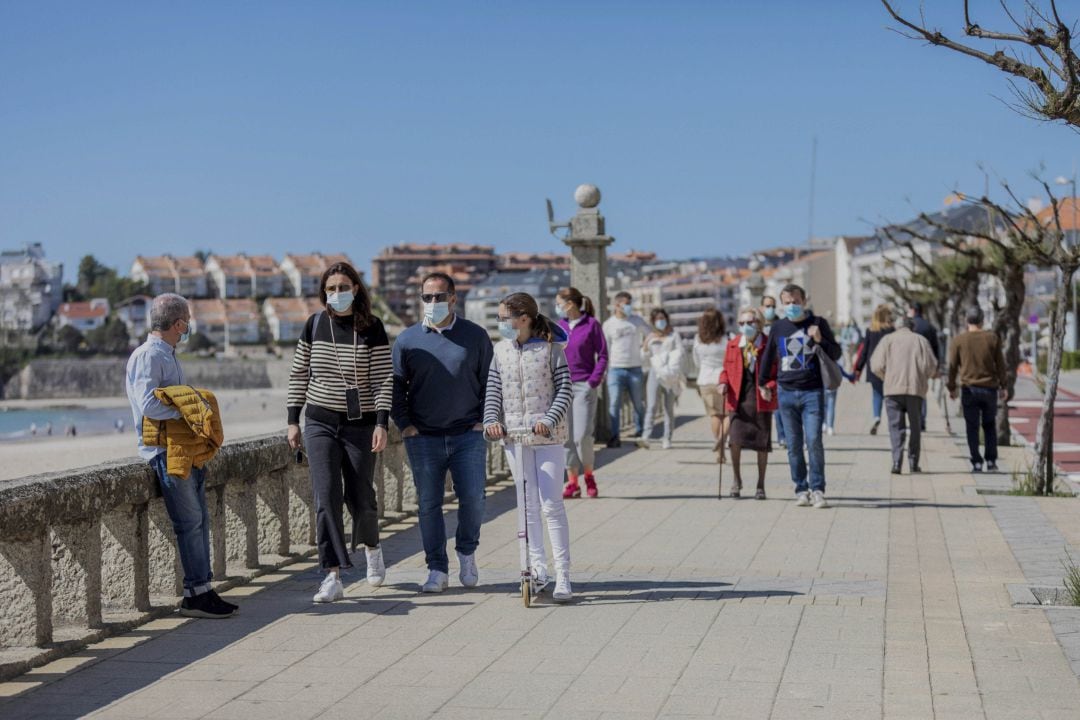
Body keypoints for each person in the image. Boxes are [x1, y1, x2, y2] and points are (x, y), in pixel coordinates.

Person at [125, 293, 236, 618]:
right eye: (186, 321)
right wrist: (187, 414)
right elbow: (148, 404)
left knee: (198, 520)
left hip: (182, 448)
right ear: (178, 324)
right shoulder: (149, 356)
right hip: (163, 451)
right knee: (189, 523)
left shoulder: (167, 355)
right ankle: (196, 594)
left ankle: (201, 590)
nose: (188, 327)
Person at [286, 262, 392, 603]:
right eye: (330, 288)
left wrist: (381, 423)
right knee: (326, 496)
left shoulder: (372, 327)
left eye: (343, 287)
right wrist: (293, 419)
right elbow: (299, 373)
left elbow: (383, 379)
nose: (337, 293)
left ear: (356, 289)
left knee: (361, 495)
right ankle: (332, 575)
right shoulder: (315, 324)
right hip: (319, 421)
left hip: (361, 424)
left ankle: (372, 546)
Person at [392, 271, 494, 593]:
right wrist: (405, 425)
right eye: (427, 297)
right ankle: (436, 568)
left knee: (474, 499)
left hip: (468, 434)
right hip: (423, 437)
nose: (432, 302)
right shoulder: (407, 340)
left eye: (438, 296)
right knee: (428, 504)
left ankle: (467, 551)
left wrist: (484, 419)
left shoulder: (475, 336)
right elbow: (395, 386)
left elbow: (491, 381)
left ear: (453, 298)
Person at [484, 293, 574, 602]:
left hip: (548, 438)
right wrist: (491, 421)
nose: (500, 323)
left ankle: (563, 573)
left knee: (551, 504)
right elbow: (493, 391)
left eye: (504, 318)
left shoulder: (551, 350)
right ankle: (537, 568)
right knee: (527, 507)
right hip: (516, 438)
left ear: (523, 319)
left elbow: (565, 389)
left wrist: (548, 420)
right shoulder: (500, 351)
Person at [758, 283, 842, 508]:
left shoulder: (818, 323)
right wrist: (762, 383)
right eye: (787, 303)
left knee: (813, 440)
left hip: (812, 392)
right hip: (785, 392)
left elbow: (836, 353)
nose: (792, 306)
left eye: (796, 302)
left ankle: (818, 489)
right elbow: (768, 356)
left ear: (804, 301)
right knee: (794, 445)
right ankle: (801, 488)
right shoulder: (778, 327)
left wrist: (820, 339)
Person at [718, 308, 777, 499]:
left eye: (749, 322)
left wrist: (769, 387)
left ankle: (761, 485)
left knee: (762, 444)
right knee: (734, 441)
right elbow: (725, 370)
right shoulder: (733, 344)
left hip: (760, 399)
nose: (745, 326)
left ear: (759, 324)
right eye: (741, 323)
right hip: (737, 399)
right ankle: (736, 480)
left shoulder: (768, 344)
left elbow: (776, 372)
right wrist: (722, 382)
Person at [555, 287, 607, 499]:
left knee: (582, 436)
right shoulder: (559, 326)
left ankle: (589, 476)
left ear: (570, 304)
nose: (557, 307)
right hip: (562, 387)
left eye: (559, 303)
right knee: (566, 437)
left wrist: (593, 381)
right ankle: (573, 482)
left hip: (584, 385)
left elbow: (603, 354)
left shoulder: (592, 324)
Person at [870, 314, 938, 474]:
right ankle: (913, 462)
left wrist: (886, 377)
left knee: (895, 427)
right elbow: (931, 366)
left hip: (892, 390)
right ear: (912, 327)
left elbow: (876, 365)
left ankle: (896, 462)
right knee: (915, 427)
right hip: (915, 390)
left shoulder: (887, 340)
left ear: (897, 326)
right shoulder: (921, 340)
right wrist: (922, 377)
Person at [947, 306, 1008, 472]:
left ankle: (976, 461)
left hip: (969, 389)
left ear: (966, 320)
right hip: (989, 389)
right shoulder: (992, 338)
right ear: (982, 320)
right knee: (989, 425)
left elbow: (952, 366)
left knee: (971, 426)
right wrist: (1004, 385)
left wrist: (952, 388)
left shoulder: (959, 340)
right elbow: (1001, 365)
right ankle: (991, 461)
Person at [602, 291, 650, 448]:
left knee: (638, 404)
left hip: (635, 368)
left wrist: (645, 348)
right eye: (626, 304)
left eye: (630, 303)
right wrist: (604, 370)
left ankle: (640, 433)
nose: (629, 307)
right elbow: (605, 349)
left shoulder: (637, 320)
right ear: (617, 305)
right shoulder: (608, 324)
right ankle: (614, 436)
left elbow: (650, 335)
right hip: (615, 369)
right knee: (614, 404)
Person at [642, 308, 685, 450]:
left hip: (670, 374)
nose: (660, 321)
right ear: (653, 321)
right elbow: (644, 358)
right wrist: (645, 345)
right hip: (655, 373)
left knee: (668, 408)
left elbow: (681, 352)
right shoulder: (650, 336)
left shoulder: (674, 335)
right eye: (657, 319)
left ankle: (667, 438)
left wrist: (671, 363)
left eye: (662, 318)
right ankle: (646, 436)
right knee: (651, 405)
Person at [854, 304, 895, 436]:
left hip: (873, 368)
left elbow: (864, 351)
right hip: (888, 367)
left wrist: (858, 369)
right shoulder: (891, 330)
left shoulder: (870, 330)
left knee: (877, 394)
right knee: (889, 395)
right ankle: (892, 422)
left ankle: (876, 417)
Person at [693, 308, 728, 462]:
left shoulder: (698, 339)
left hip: (705, 380)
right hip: (723, 380)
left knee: (714, 415)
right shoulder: (727, 338)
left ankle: (719, 450)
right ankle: (722, 439)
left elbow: (696, 361)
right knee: (729, 414)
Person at [908, 302, 941, 432]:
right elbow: (935, 348)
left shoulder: (909, 326)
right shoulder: (929, 326)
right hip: (925, 364)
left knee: (910, 392)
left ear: (913, 310)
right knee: (922, 392)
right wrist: (936, 367)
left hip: (910, 363)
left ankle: (914, 419)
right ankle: (921, 420)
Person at [761, 295, 785, 447]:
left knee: (778, 406)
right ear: (762, 307)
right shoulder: (757, 325)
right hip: (762, 370)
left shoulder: (780, 324)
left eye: (773, 306)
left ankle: (782, 436)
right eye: (768, 306)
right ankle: (762, 438)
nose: (771, 309)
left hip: (777, 369)